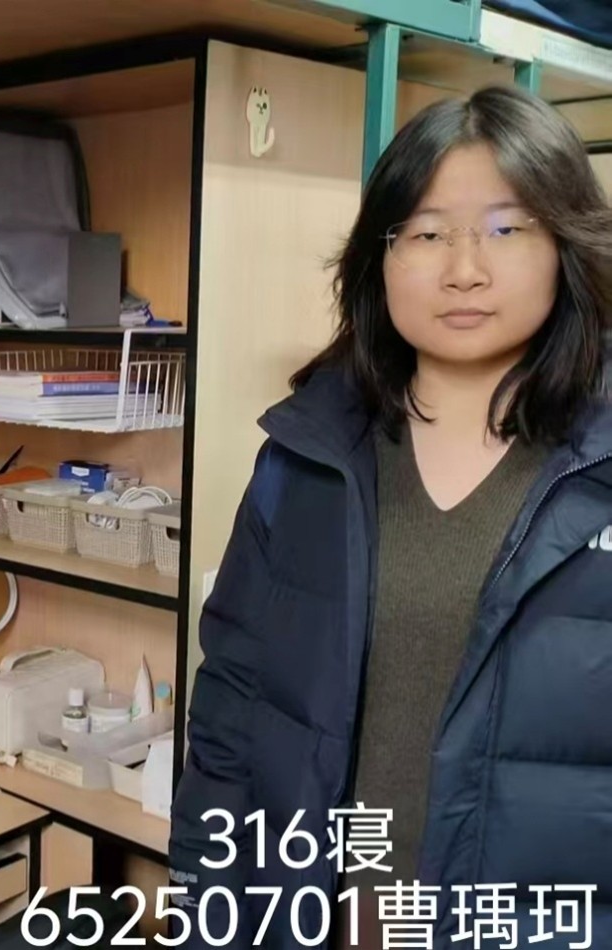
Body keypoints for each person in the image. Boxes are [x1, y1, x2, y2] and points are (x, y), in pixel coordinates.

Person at [168, 84, 612, 950]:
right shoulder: (307, 456)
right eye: (427, 233)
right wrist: (202, 905)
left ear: (567, 244)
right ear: (379, 254)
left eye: (507, 229)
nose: (464, 269)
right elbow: (231, 710)